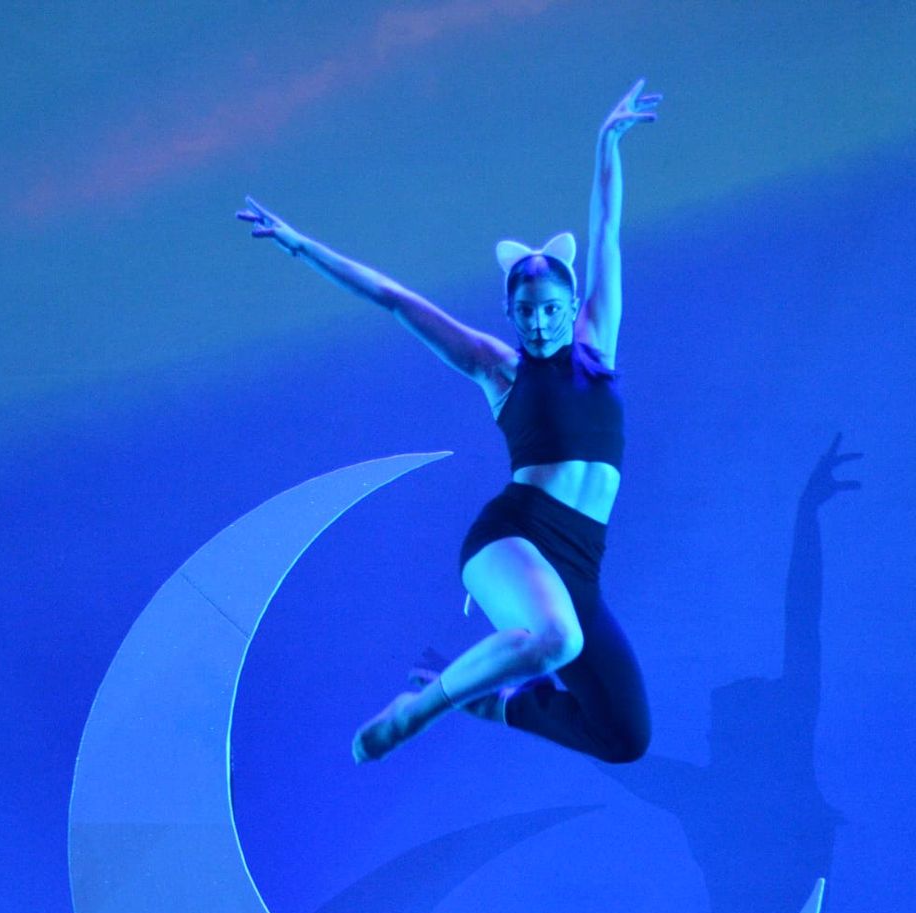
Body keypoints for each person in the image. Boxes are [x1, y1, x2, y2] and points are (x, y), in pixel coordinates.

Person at [236, 79, 663, 765]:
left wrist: (605, 144)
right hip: (514, 539)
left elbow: (607, 228)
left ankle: (491, 702)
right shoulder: (501, 370)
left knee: (625, 735)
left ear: (571, 302)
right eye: (525, 311)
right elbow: (396, 301)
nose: (539, 321)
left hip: (579, 564)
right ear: (510, 314)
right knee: (558, 641)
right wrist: (299, 245)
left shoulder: (598, 347)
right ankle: (417, 712)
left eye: (551, 308)